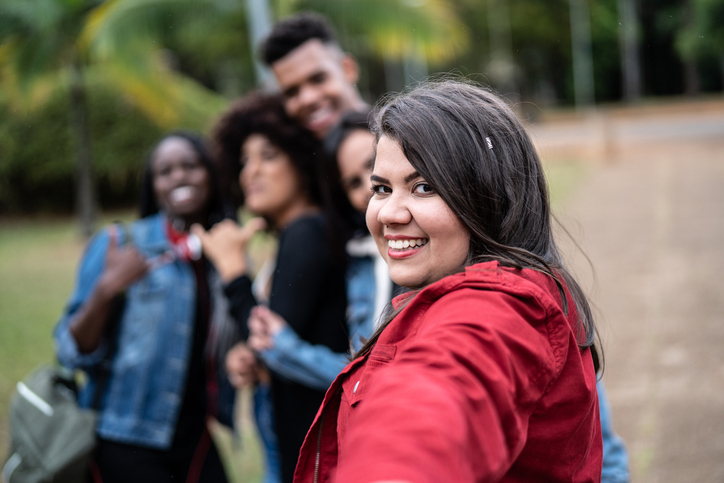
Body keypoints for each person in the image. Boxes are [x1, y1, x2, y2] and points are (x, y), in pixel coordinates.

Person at [293, 80, 604, 482]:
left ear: (490, 196)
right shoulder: (511, 289)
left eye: (423, 187)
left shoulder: (501, 307)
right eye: (381, 188)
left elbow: (433, 410)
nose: (389, 213)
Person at [54, 132, 237, 483]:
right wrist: (107, 288)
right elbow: (69, 350)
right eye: (165, 171)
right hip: (125, 435)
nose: (179, 176)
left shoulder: (222, 251)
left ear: (210, 175)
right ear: (154, 187)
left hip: (194, 434)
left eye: (190, 165)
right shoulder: (119, 243)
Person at [192, 92, 350, 483]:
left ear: (301, 161)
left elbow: (266, 333)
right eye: (244, 161)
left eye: (268, 156)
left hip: (306, 446)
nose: (251, 172)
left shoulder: (306, 231)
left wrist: (232, 271)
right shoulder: (299, 233)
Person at [246, 111, 394, 389]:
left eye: (372, 164)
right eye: (352, 182)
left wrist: (283, 349)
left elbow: (371, 378)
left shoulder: (416, 253)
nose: (368, 185)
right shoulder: (360, 258)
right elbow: (364, 372)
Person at [260, 11, 368, 140]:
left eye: (318, 79)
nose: (307, 99)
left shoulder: (394, 140)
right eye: (291, 92)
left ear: (348, 69)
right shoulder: (299, 156)